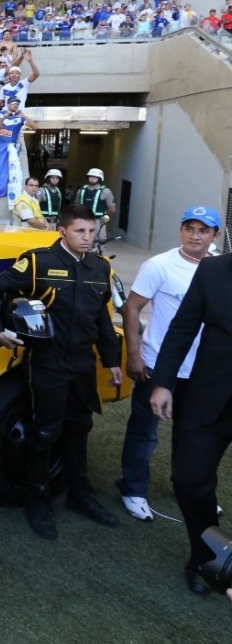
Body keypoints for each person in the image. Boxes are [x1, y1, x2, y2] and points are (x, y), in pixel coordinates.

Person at [0, 204, 123, 540]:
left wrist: (112, 359)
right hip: (48, 361)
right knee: (44, 432)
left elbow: (101, 318)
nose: (87, 238)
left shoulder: (100, 268)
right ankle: (37, 499)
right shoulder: (38, 262)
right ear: (62, 231)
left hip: (83, 362)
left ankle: (80, 494)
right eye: (79, 232)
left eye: (91, 231)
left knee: (80, 426)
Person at [117, 207, 221, 522]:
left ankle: (188, 488)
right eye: (189, 228)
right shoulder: (159, 265)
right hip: (158, 365)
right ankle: (133, 489)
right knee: (144, 431)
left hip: (202, 370)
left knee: (194, 435)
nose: (195, 235)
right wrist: (134, 354)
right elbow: (132, 309)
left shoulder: (219, 269)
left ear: (215, 235)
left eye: (203, 230)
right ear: (180, 231)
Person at [149, 226, 232, 596]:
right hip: (207, 398)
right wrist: (163, 382)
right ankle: (205, 556)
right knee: (188, 479)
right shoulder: (213, 271)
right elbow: (182, 328)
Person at [77, 168, 116, 239]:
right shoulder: (81, 190)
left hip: (98, 221)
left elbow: (112, 209)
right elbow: (76, 206)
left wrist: (105, 217)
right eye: (90, 176)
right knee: (83, 240)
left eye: (95, 177)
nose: (92, 178)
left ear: (100, 178)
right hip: (83, 220)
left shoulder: (106, 191)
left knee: (100, 240)